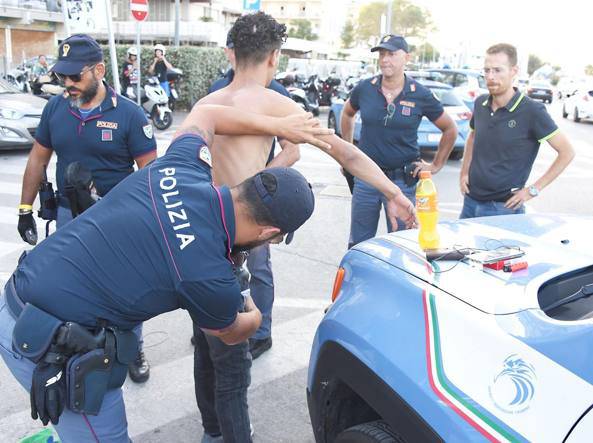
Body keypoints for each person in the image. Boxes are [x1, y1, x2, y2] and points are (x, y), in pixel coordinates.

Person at [0, 103, 330, 442]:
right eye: (277, 237)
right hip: (42, 341)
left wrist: (280, 124)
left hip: (20, 293)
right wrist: (256, 315)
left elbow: (209, 114)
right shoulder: (209, 277)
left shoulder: (183, 165)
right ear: (268, 233)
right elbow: (232, 332)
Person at [193, 12, 418, 443]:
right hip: (235, 246)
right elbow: (346, 155)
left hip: (200, 239)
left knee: (206, 345)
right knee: (232, 364)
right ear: (274, 58)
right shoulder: (275, 104)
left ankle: (210, 431)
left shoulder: (206, 105)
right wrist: (393, 191)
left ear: (232, 53)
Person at [16, 34, 157, 383]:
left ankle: (132, 347)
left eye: (75, 77)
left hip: (115, 220)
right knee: (72, 287)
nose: (67, 84)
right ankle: (81, 349)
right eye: (62, 76)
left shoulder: (129, 115)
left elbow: (151, 175)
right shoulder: (56, 108)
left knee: (126, 289)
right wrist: (24, 208)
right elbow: (38, 159)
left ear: (98, 70)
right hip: (68, 216)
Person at [205, 31, 300, 360]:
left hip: (253, 206)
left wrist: (257, 186)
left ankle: (261, 331)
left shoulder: (275, 93)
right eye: (231, 48)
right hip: (215, 204)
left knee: (258, 270)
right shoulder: (217, 92)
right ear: (229, 52)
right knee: (212, 271)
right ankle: (214, 326)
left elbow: (293, 151)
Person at [341, 34, 458, 249]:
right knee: (359, 243)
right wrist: (348, 153)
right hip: (367, 178)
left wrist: (436, 165)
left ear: (407, 58)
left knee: (402, 243)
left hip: (402, 181)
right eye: (382, 54)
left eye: (391, 54)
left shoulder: (420, 94)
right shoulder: (365, 88)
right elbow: (347, 114)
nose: (385, 59)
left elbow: (450, 129)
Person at [459, 43, 575, 218]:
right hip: (470, 201)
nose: (490, 76)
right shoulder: (480, 103)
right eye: (487, 70)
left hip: (502, 208)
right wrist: (464, 172)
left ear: (514, 71)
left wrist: (532, 190)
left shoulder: (532, 111)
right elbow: (473, 136)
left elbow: (567, 152)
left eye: (498, 70)